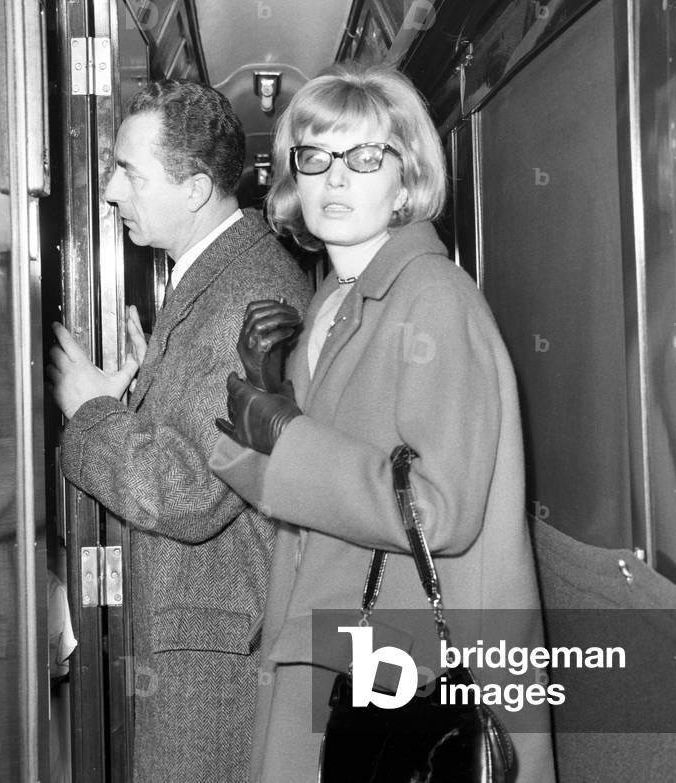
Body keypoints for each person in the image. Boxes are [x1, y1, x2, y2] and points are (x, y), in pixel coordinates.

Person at [210, 65, 556, 782]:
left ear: (406, 182)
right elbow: (316, 489)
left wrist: (288, 435)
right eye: (315, 155)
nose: (336, 177)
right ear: (293, 177)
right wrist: (269, 401)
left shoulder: (433, 298)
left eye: (365, 157)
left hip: (411, 676)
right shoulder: (335, 299)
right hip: (344, 650)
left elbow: (440, 511)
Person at [47, 80, 312, 783]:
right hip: (200, 639)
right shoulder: (215, 274)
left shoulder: (250, 294)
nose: (110, 191)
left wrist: (92, 413)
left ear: (195, 190)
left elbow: (194, 494)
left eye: (128, 172)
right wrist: (141, 396)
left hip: (213, 658)